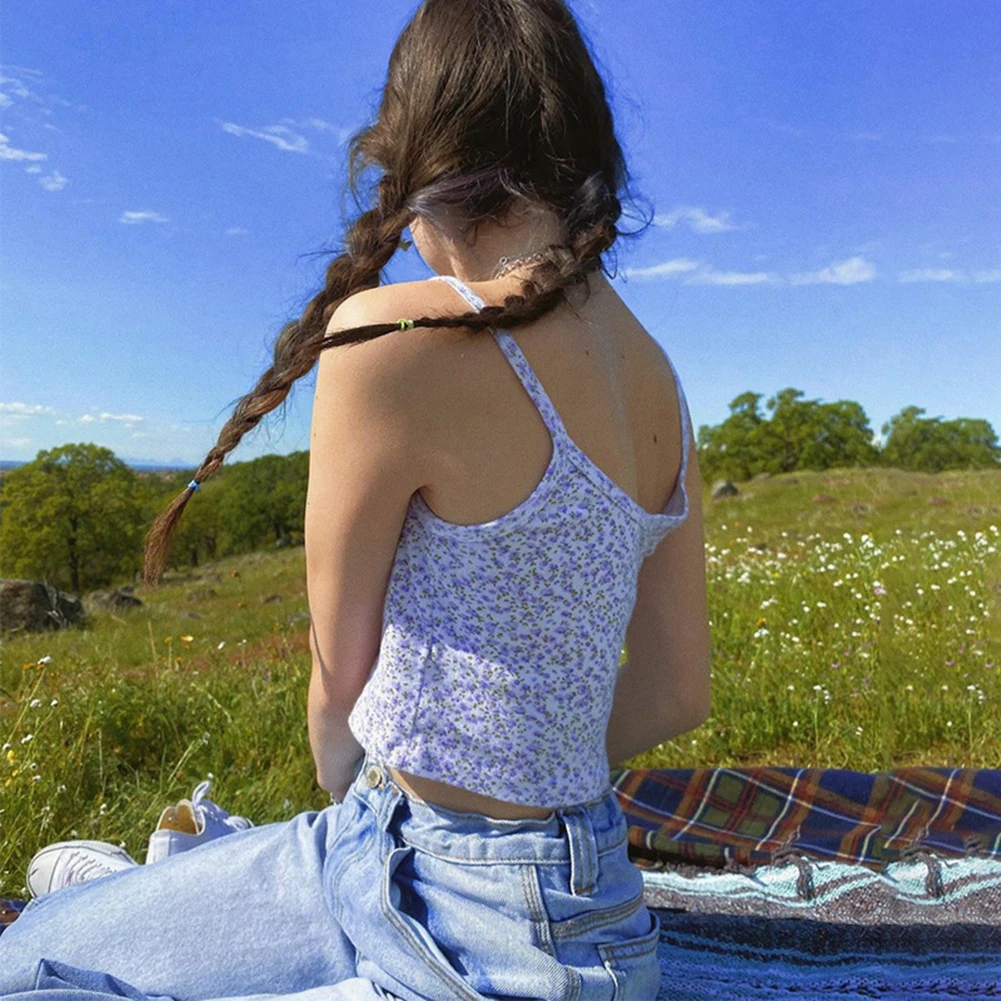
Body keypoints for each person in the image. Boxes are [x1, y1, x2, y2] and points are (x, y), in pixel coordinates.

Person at [0, 0, 712, 998]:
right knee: (40, 939)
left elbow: (337, 691)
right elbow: (677, 689)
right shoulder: (660, 379)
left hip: (474, 932)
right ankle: (167, 881)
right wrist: (528, 773)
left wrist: (398, 794)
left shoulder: (396, 339)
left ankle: (175, 877)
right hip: (563, 892)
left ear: (413, 165)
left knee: (32, 972)